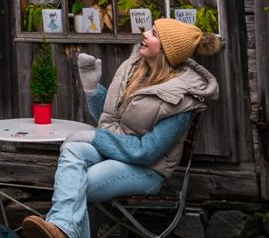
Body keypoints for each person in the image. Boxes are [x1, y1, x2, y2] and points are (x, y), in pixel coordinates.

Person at [19, 18, 222, 238]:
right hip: (117, 153)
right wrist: (93, 89)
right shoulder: (133, 69)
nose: (145, 34)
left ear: (167, 49)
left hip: (147, 170)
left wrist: (95, 137)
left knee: (79, 183)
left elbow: (146, 152)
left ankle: (61, 229)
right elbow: (112, 120)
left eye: (154, 34)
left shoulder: (181, 98)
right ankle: (62, 229)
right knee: (73, 149)